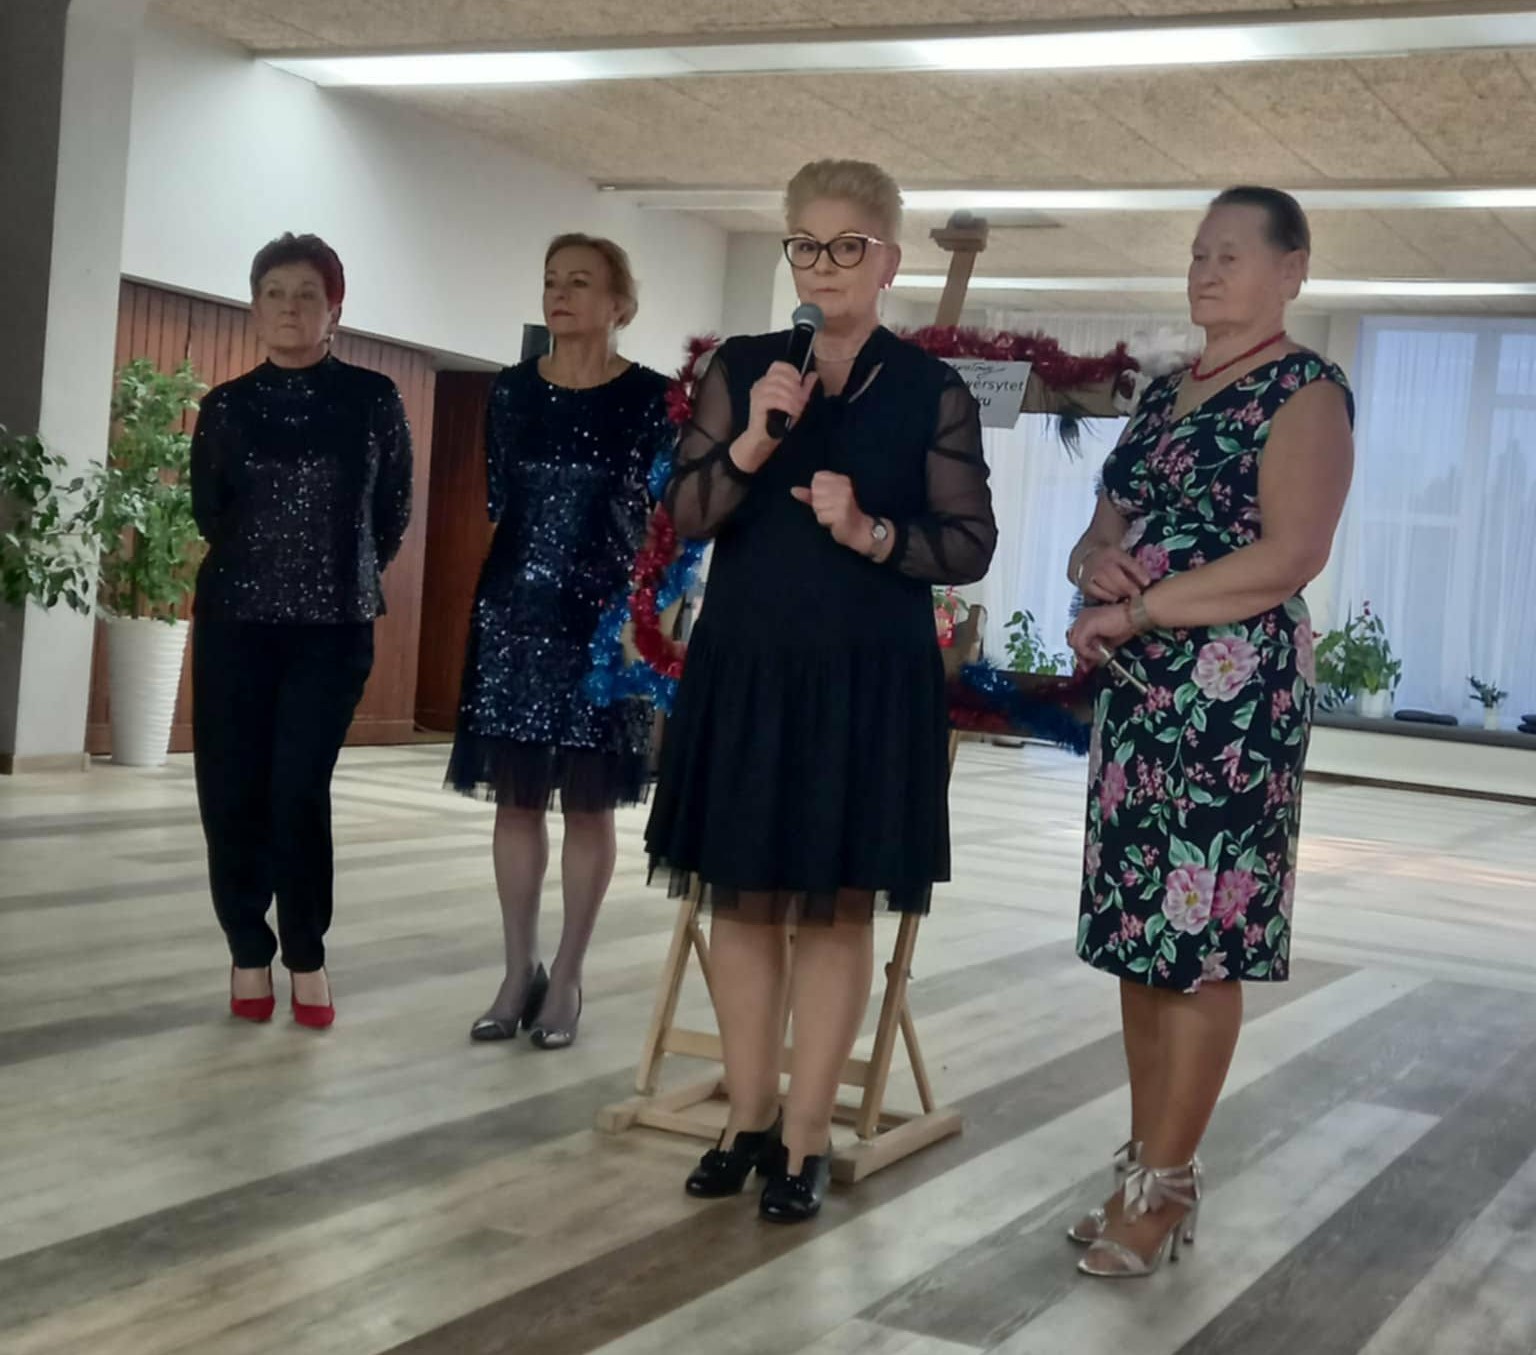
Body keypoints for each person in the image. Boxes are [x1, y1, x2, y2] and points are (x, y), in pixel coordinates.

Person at [646, 159, 996, 1223]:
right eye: (806, 243)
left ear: (888, 261)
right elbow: (688, 512)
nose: (824, 263)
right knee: (742, 900)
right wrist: (756, 435)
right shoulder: (744, 365)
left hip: (866, 678)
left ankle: (806, 1133)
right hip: (748, 665)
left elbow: (969, 541)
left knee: (838, 911)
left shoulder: (931, 389)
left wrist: (872, 531)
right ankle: (746, 1118)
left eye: (848, 245)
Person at [1064, 186, 1355, 1277]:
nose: (1206, 271)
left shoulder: (1305, 390)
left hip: (1232, 697)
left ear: (1293, 269)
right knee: (1140, 938)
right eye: (1197, 254)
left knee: (1196, 944)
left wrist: (1140, 607)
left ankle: (1172, 1180)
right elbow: (1103, 528)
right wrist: (1095, 565)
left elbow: (1290, 555)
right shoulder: (1160, 394)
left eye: (1231, 254)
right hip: (1140, 691)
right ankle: (1143, 1166)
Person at [448, 234, 672, 1050]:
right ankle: (518, 970)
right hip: (512, 612)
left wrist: (649, 621)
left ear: (620, 304)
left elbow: (668, 519)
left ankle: (568, 976)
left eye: (580, 281)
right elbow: (501, 498)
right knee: (514, 797)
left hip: (607, 623)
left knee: (587, 802)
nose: (560, 294)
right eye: (551, 281)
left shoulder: (654, 398)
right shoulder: (511, 390)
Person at [192, 232, 413, 1030]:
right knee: (230, 790)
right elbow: (210, 511)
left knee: (296, 789)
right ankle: (246, 949)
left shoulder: (372, 399)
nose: (290, 308)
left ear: (334, 310)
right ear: (255, 308)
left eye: (307, 295)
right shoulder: (225, 407)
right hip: (235, 623)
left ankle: (307, 954)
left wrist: (334, 569)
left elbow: (390, 513)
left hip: (332, 626)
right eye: (274, 294)